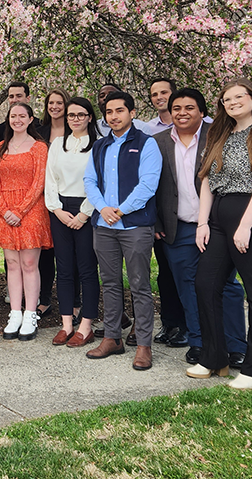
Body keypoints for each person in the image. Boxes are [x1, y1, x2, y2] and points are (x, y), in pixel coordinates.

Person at [189, 78, 252, 390]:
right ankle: (214, 357)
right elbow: (206, 179)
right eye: (226, 100)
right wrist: (202, 222)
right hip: (219, 215)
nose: (232, 103)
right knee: (205, 283)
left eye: (238, 97)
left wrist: (245, 225)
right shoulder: (218, 134)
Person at [154, 89, 246, 367]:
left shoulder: (220, 136)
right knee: (188, 287)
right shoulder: (157, 142)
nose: (182, 113)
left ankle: (235, 345)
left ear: (202, 111)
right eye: (176, 108)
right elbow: (150, 186)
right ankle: (199, 342)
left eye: (189, 108)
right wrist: (157, 222)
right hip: (177, 228)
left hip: (218, 225)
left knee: (226, 285)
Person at [83, 91, 161, 370]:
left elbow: (148, 184)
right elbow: (90, 180)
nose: (114, 116)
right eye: (109, 112)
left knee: (140, 284)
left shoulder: (146, 144)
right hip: (103, 226)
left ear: (132, 112)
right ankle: (113, 338)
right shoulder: (99, 146)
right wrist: (103, 208)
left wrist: (121, 210)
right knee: (111, 283)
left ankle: (143, 345)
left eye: (119, 111)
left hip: (135, 224)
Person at [0, 103, 51, 341]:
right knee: (12, 264)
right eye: (13, 116)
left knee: (28, 263)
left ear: (30, 119)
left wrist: (20, 210)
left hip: (31, 210)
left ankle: (30, 313)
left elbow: (39, 182)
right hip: (6, 212)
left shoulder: (39, 147)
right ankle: (15, 312)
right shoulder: (0, 148)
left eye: (21, 116)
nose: (17, 120)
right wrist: (3, 211)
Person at [44, 97, 100, 348]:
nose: (75, 119)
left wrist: (84, 213)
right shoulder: (58, 144)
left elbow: (100, 182)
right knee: (64, 270)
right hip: (60, 210)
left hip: (87, 209)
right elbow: (50, 179)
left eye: (80, 114)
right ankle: (67, 324)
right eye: (70, 115)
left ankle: (86, 325)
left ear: (89, 117)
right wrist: (56, 209)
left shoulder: (98, 146)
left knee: (87, 270)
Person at [141, 78, 188, 347]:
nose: (159, 97)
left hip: (194, 215)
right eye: (154, 94)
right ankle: (170, 323)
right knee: (165, 274)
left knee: (188, 274)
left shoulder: (199, 128)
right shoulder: (150, 132)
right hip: (163, 218)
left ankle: (188, 325)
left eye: (164, 93)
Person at [35, 89, 69, 319]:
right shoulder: (39, 131)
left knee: (68, 252)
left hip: (69, 196)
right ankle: (45, 298)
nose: (55, 106)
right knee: (45, 251)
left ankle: (73, 301)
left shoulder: (76, 130)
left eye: (59, 102)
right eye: (51, 103)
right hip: (42, 196)